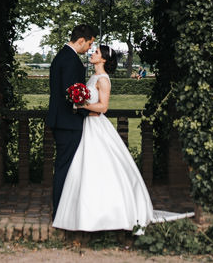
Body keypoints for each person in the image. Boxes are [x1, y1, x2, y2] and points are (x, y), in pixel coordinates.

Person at [52, 44, 193, 232]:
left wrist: (82, 106)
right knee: (83, 168)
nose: (92, 54)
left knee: (100, 168)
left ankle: (108, 214)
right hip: (87, 126)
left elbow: (103, 107)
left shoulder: (103, 79)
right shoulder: (92, 77)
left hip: (96, 125)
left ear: (103, 59)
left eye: (96, 53)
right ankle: (82, 213)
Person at [45, 23, 96, 218]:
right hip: (68, 122)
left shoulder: (63, 56)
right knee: (65, 167)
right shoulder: (70, 60)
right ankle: (59, 211)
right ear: (81, 40)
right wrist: (87, 113)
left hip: (63, 121)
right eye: (90, 44)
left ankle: (63, 209)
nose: (90, 48)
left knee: (64, 166)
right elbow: (71, 94)